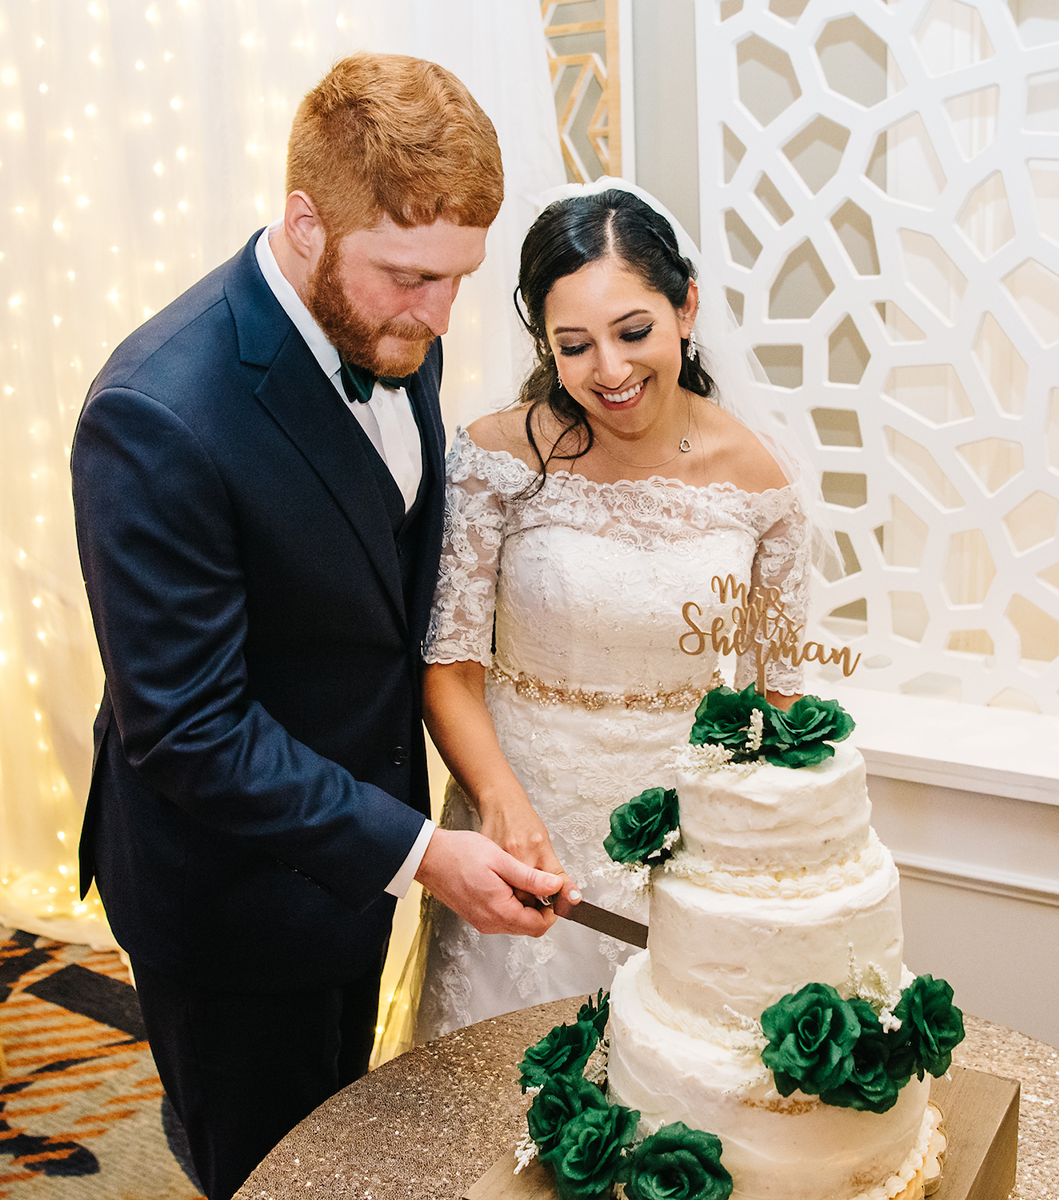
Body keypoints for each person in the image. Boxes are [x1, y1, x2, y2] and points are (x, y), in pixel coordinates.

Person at [69, 53, 564, 1200]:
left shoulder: (396, 331)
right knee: (266, 1174)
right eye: (410, 277)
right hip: (229, 901)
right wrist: (420, 853)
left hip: (356, 865)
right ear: (305, 222)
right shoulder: (154, 414)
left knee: (344, 1146)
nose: (437, 315)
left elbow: (378, 601)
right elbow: (188, 730)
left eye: (458, 279)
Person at [413, 184, 809, 1040]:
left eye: (633, 332)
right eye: (575, 345)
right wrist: (500, 801)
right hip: (518, 820)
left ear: (685, 307)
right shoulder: (493, 459)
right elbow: (449, 671)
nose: (612, 372)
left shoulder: (762, 480)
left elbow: (776, 695)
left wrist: (736, 846)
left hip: (681, 838)